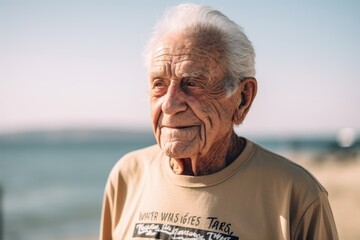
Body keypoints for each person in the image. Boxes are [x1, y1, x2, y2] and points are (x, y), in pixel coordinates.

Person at [100, 3, 338, 240]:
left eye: (192, 83)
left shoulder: (296, 196)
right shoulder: (127, 176)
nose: (169, 105)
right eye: (159, 84)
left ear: (243, 98)